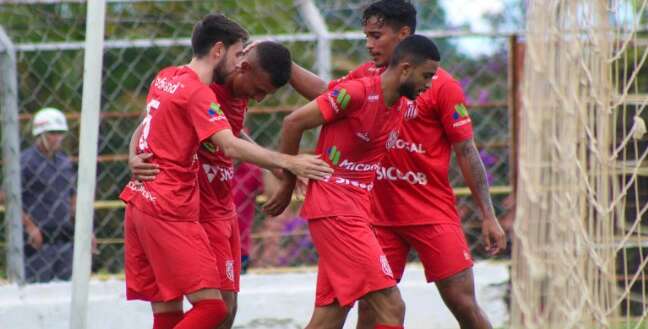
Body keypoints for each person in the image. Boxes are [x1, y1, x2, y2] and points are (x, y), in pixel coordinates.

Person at [289, 1, 507, 328]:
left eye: (377, 35)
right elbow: (326, 96)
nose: (369, 44)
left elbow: (467, 150)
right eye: (367, 36)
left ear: (403, 34)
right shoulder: (363, 78)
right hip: (377, 216)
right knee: (373, 309)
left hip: (431, 212)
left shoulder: (440, 85)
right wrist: (283, 63)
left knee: (463, 302)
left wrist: (489, 215)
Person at [119, 14, 332, 329]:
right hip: (183, 207)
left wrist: (274, 163)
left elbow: (224, 131)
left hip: (208, 204)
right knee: (214, 309)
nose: (258, 98)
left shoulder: (180, 79)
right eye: (258, 88)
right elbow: (221, 141)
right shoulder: (203, 89)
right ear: (238, 61)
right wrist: (289, 161)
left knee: (215, 309)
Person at [264, 34, 440, 329]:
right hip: (336, 212)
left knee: (329, 316)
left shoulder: (400, 106)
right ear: (406, 69)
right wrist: (286, 181)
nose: (429, 84)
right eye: (427, 76)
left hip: (355, 211)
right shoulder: (356, 93)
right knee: (392, 306)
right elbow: (293, 122)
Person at [14, 107, 77, 283]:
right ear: (40, 134)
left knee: (67, 287)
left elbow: (73, 195)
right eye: (52, 133)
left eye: (60, 133)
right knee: (37, 287)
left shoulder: (64, 161)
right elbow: (9, 198)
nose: (57, 138)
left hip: (64, 236)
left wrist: (85, 229)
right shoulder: (25, 162)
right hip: (38, 240)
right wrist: (29, 227)